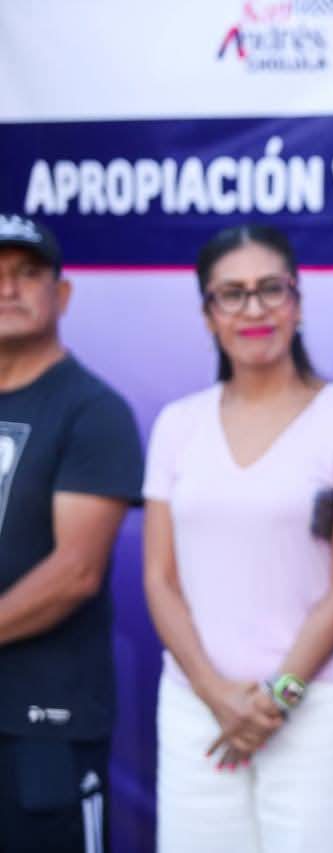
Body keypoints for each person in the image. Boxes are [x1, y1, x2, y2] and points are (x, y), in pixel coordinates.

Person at [142, 224, 333, 853]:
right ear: (208, 314)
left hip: (317, 710)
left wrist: (278, 698)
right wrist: (215, 695)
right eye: (231, 294)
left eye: (270, 290)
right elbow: (159, 578)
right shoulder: (178, 425)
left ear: (298, 303)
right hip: (197, 709)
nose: (253, 309)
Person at [0, 214, 143, 852]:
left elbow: (76, 572)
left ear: (63, 294)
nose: (9, 289)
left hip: (43, 725)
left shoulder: (93, 410)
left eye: (28, 274)